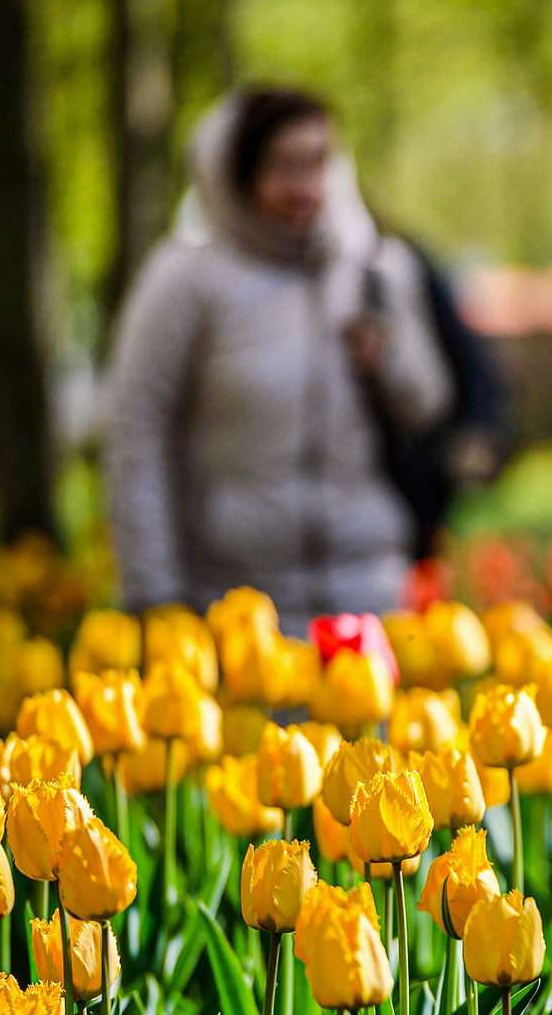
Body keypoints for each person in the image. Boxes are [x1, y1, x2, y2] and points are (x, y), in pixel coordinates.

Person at [104, 88, 452, 631]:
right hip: (239, 607)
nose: (305, 189)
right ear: (233, 174)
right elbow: (136, 431)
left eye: (317, 163)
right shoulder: (187, 282)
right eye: (281, 168)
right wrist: (154, 593)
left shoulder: (372, 269)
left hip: (371, 597)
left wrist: (387, 357)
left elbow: (427, 406)